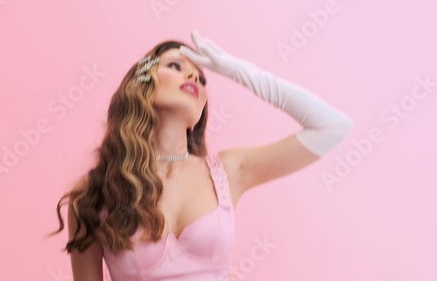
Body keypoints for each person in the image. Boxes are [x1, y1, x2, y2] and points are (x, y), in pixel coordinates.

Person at [47, 30, 353, 281]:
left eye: (202, 78)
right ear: (141, 86)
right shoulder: (92, 192)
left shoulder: (227, 171)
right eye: (176, 66)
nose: (193, 77)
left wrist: (240, 72)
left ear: (200, 113)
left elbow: (332, 127)